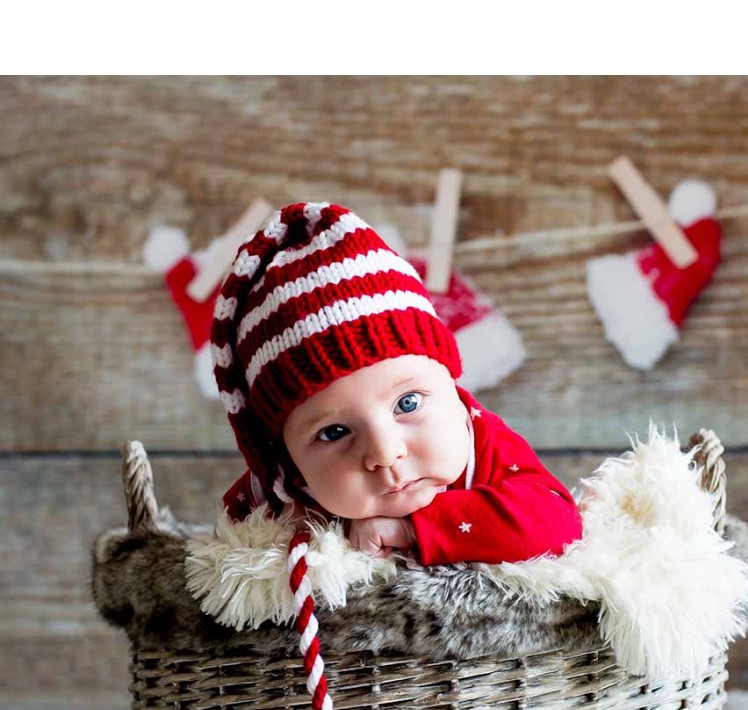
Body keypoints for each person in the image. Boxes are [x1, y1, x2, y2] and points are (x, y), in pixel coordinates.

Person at [213, 201, 582, 566]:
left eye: (408, 403)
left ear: (451, 383)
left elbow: (558, 523)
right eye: (334, 432)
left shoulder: (480, 440)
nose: (385, 453)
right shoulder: (282, 482)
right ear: (285, 455)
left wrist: (412, 529)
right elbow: (225, 551)